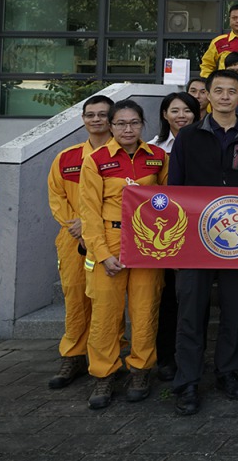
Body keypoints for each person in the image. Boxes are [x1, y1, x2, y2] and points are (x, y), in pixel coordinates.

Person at [169, 69, 238, 416]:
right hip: (193, 239)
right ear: (206, 96)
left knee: (234, 308)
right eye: (218, 91)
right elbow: (175, 188)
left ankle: (228, 372)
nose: (225, 96)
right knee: (191, 311)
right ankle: (188, 381)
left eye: (232, 91)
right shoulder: (188, 136)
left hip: (237, 239)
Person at [78, 99, 167, 409]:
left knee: (145, 310)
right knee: (105, 315)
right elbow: (88, 211)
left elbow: (170, 202)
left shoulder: (157, 157)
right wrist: (102, 253)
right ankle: (103, 375)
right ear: (111, 126)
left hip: (147, 242)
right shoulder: (97, 159)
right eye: (121, 124)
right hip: (109, 240)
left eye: (134, 123)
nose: (128, 129)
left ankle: (140, 369)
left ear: (143, 125)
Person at [45, 94, 114, 391]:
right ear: (83, 119)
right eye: (90, 115)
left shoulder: (123, 156)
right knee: (75, 297)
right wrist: (78, 224)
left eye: (102, 115)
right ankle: (73, 354)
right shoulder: (67, 158)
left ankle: (110, 354)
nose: (96, 119)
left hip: (109, 237)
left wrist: (90, 225)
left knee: (107, 300)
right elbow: (56, 197)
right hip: (72, 238)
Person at [147, 92, 201, 381]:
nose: (181, 116)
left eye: (187, 111)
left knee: (192, 298)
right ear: (165, 115)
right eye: (174, 110)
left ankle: (192, 357)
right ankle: (165, 356)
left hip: (196, 230)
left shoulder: (203, 142)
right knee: (167, 296)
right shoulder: (152, 149)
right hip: (163, 232)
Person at [199, 3, 238, 78]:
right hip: (225, 85)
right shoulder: (219, 41)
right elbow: (207, 65)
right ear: (229, 20)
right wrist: (210, 82)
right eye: (234, 18)